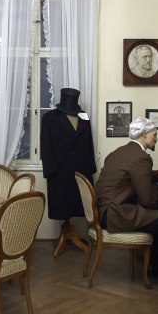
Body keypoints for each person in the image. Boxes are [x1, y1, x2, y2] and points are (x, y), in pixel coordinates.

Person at [94, 117, 158, 283]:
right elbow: (147, 200)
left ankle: (154, 265)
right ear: (145, 134)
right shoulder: (141, 157)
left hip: (105, 211)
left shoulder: (120, 152)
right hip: (116, 214)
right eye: (155, 134)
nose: (157, 138)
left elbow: (137, 175)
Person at [40, 88, 97, 253]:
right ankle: (65, 232)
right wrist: (50, 171)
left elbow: (89, 144)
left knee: (80, 205)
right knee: (62, 204)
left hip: (81, 170)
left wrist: (91, 167)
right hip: (60, 171)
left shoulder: (83, 117)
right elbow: (45, 146)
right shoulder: (50, 118)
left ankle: (72, 234)